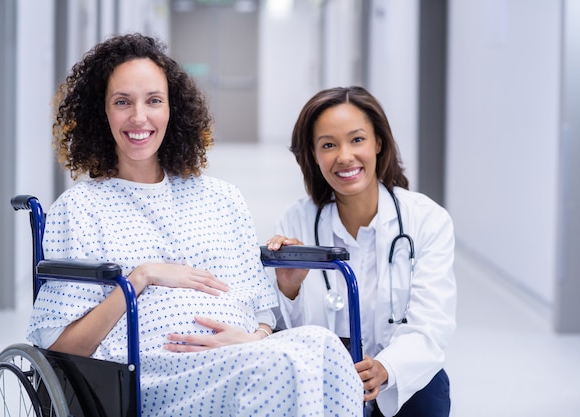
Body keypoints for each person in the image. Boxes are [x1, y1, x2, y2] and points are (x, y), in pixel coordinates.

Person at [27, 33, 362, 416]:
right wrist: (141, 277)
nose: (139, 117)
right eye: (123, 102)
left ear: (174, 110)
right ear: (100, 113)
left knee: (325, 347)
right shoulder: (81, 207)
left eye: (154, 101)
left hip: (241, 355)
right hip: (151, 374)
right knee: (279, 368)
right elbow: (59, 348)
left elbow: (261, 308)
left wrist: (252, 338)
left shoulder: (221, 198)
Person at [266, 86, 457, 417]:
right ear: (312, 154)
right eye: (328, 144)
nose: (344, 156)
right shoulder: (296, 221)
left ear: (378, 143)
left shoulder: (427, 220)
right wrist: (290, 287)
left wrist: (384, 369)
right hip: (324, 383)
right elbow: (286, 332)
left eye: (357, 140)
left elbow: (432, 325)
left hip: (403, 383)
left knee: (427, 388)